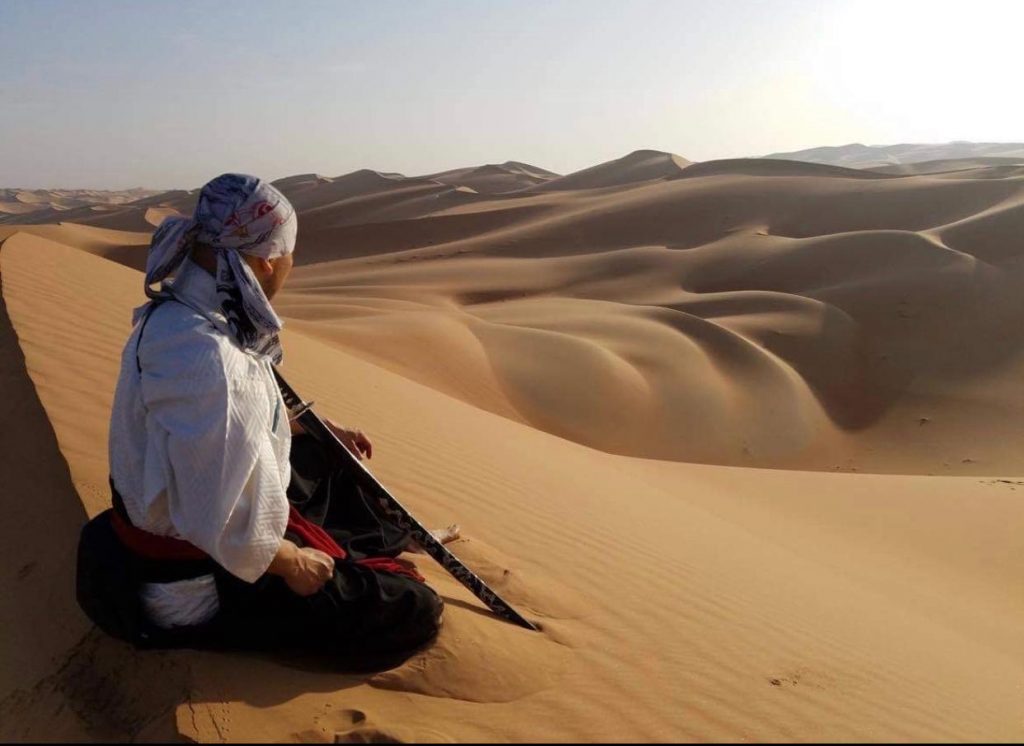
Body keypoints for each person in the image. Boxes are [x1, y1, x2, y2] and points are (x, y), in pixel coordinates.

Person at [77, 173, 443, 668]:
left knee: (321, 456)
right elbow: (218, 516)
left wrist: (318, 427)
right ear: (268, 260)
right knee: (412, 609)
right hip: (195, 587)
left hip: (171, 525)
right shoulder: (211, 359)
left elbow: (235, 423)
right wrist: (292, 562)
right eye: (291, 257)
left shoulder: (184, 314)